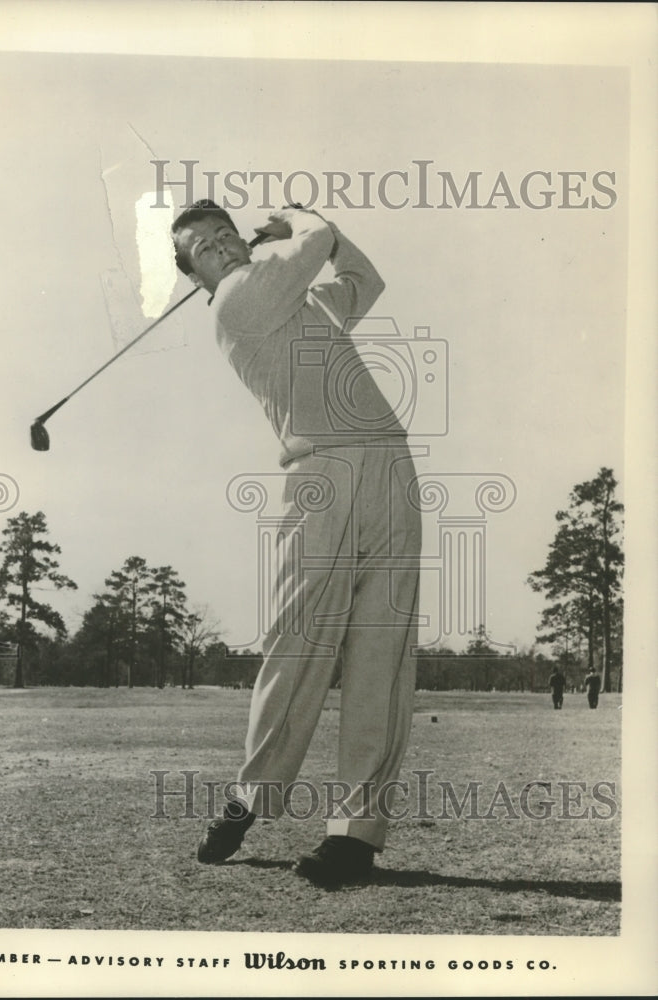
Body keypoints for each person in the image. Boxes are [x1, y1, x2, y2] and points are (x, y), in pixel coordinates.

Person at [171, 200, 421, 887]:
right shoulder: (234, 303)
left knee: (382, 650)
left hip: (387, 464)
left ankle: (355, 836)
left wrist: (324, 236)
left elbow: (363, 280)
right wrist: (301, 219)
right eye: (204, 247)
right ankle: (251, 796)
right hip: (318, 475)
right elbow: (313, 242)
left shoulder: (298, 303)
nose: (222, 246)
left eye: (226, 234)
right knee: (299, 642)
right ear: (195, 276)